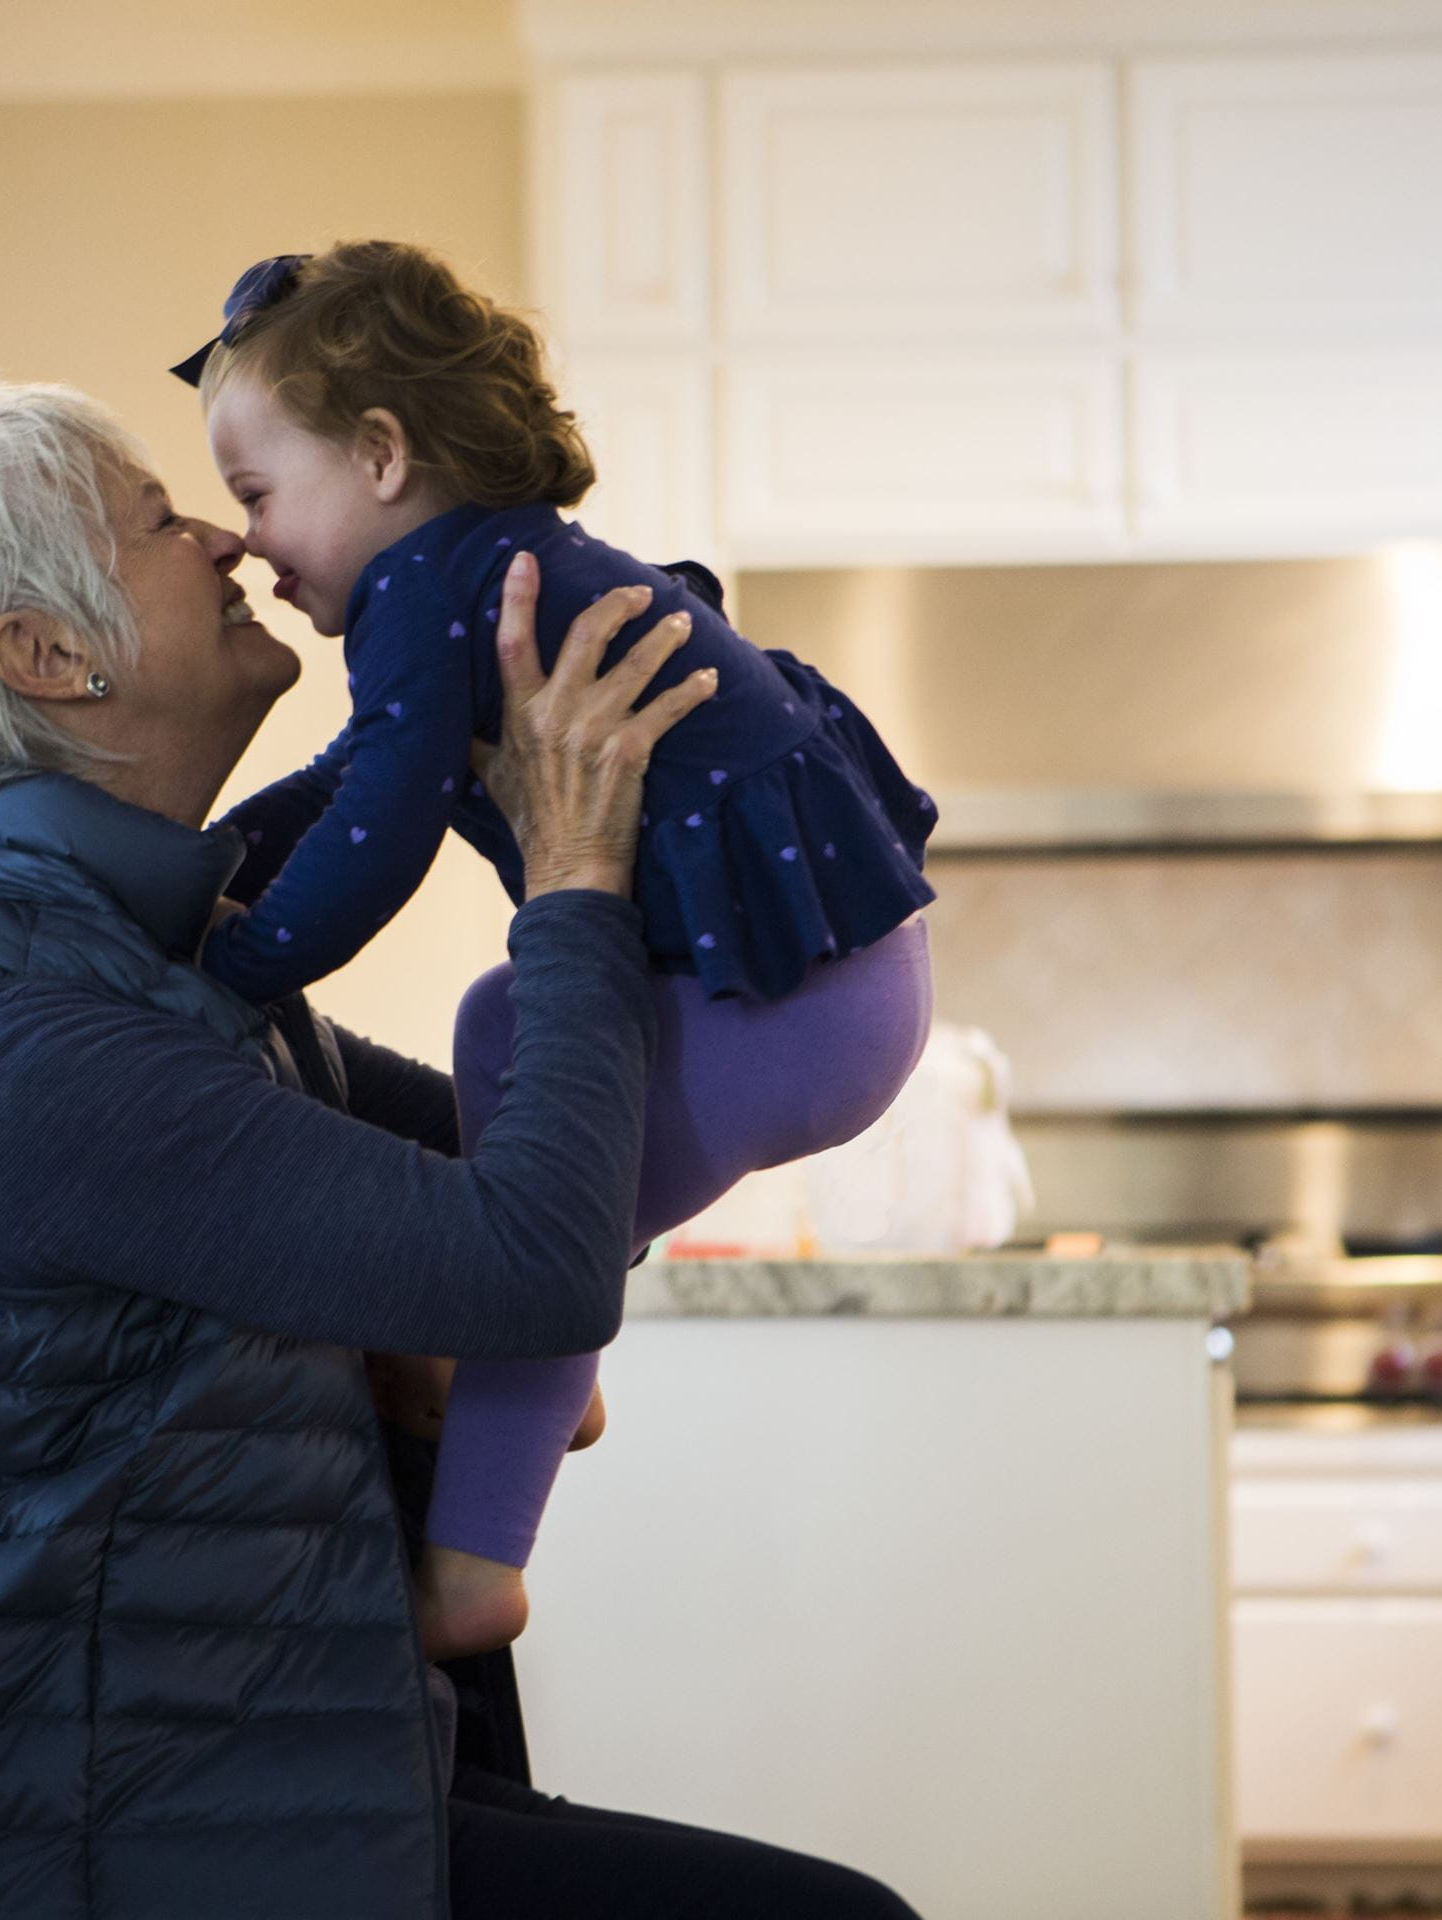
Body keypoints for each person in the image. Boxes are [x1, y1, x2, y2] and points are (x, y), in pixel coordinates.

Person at [0, 366, 921, 1920]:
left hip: (233, 1789)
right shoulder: (29, 1039)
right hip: (76, 1852)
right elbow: (540, 1266)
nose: (228, 546)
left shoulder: (153, 970)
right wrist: (574, 871)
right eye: (163, 521)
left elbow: (543, 1189)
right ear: (48, 658)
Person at [177, 242, 938, 1655]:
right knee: (502, 1026)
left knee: (533, 1188)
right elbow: (358, 773)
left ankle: (475, 1564)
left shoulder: (428, 592)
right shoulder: (482, 570)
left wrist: (248, 956)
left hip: (790, 1004)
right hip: (836, 990)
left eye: (258, 496)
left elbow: (388, 820)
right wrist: (208, 871)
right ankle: (541, 1372)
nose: (252, 546)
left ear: (383, 457)